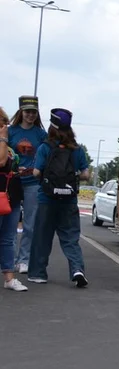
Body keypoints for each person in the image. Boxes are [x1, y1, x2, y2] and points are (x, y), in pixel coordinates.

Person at [27, 108, 90, 288]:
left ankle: (38, 273)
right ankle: (77, 269)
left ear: (52, 126)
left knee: (42, 237)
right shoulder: (76, 150)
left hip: (47, 199)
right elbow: (85, 174)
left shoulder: (45, 147)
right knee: (71, 238)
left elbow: (37, 172)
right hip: (69, 200)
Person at [6, 95, 47, 273]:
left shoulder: (41, 134)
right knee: (10, 223)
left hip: (33, 183)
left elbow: (47, 154)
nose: (30, 115)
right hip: (13, 182)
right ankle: (9, 259)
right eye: (27, 112)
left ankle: (23, 260)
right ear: (21, 112)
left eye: (33, 112)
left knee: (30, 224)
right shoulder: (10, 131)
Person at [0, 106, 28, 291]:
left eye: (5, 122)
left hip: (11, 196)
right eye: (2, 123)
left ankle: (9, 278)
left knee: (9, 238)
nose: (5, 126)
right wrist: (2, 138)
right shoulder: (3, 142)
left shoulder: (7, 146)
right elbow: (1, 161)